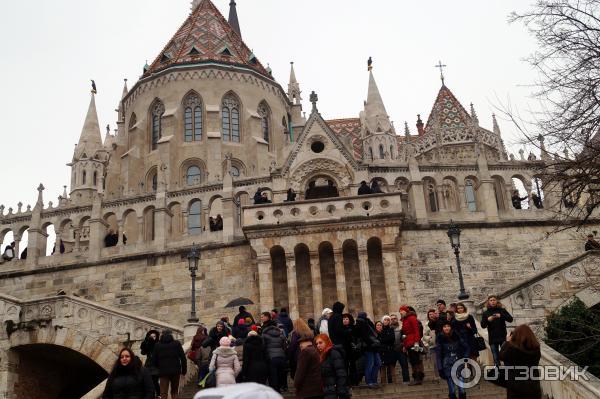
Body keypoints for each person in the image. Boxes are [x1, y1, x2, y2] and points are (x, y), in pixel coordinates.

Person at [500, 325, 542, 399]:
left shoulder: (512, 350)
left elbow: (501, 356)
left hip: (516, 388)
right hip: (533, 386)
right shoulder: (536, 349)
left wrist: (507, 342)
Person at [435, 322, 467, 399]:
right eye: (444, 326)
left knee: (461, 388)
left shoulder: (457, 335)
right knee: (451, 388)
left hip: (458, 361)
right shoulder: (439, 338)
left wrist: (465, 357)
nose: (446, 328)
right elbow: (438, 355)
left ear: (451, 327)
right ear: (442, 328)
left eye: (448, 326)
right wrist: (440, 368)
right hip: (447, 363)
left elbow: (466, 347)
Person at [481, 295, 514, 367]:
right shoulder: (486, 313)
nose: (493, 302)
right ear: (488, 302)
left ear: (497, 301)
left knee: (506, 356)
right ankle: (498, 373)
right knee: (496, 358)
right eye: (491, 300)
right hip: (493, 338)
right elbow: (483, 326)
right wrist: (488, 320)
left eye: (494, 300)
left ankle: (508, 373)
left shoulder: (502, 310)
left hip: (502, 336)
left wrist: (501, 316)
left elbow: (510, 319)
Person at [154, 329, 187, 399]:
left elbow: (154, 360)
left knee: (163, 393)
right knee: (174, 391)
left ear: (162, 335)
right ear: (171, 335)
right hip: (175, 371)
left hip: (163, 372)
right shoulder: (177, 343)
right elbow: (183, 358)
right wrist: (184, 371)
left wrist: (158, 370)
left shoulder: (157, 345)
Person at [316, 334, 350, 399]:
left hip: (335, 392)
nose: (318, 345)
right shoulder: (322, 356)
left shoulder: (333, 353)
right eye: (317, 344)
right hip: (328, 391)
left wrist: (341, 391)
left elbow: (341, 374)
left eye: (320, 343)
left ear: (326, 342)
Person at [260, 312, 287, 392]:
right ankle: (281, 388)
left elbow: (263, 347)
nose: (261, 318)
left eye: (262, 317)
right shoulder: (280, 333)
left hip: (271, 357)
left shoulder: (264, 334)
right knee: (280, 374)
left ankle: (275, 392)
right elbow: (284, 344)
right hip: (281, 356)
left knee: (273, 376)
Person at [293, 331, 323, 399]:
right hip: (318, 389)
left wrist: (296, 385)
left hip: (308, 390)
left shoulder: (305, 352)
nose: (300, 348)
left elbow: (300, 371)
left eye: (300, 346)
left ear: (302, 344)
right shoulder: (316, 350)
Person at [355, 311, 380, 388]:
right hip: (368, 347)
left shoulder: (368, 322)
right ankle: (369, 381)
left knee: (378, 363)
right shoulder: (360, 324)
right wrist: (371, 343)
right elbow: (364, 336)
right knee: (370, 364)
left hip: (374, 346)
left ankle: (374, 380)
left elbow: (373, 333)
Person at [399, 305, 424, 385]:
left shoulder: (412, 318)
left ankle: (418, 378)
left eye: (401, 311)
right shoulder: (405, 320)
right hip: (408, 343)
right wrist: (404, 345)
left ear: (405, 311)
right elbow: (405, 333)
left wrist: (416, 342)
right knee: (413, 361)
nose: (400, 312)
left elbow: (416, 331)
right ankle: (416, 378)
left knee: (416, 360)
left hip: (413, 342)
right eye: (400, 311)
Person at [390, 313, 410, 384]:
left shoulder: (402, 327)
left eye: (394, 318)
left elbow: (405, 337)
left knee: (404, 365)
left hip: (401, 349)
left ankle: (406, 380)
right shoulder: (389, 329)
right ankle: (391, 382)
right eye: (391, 319)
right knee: (391, 367)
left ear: (397, 319)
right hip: (392, 350)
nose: (393, 320)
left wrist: (404, 345)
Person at [140, 329, 161, 395]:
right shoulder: (147, 343)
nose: (153, 338)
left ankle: (158, 395)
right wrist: (146, 343)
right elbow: (143, 352)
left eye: (154, 336)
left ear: (156, 337)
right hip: (148, 366)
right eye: (151, 336)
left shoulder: (159, 344)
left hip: (156, 366)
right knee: (148, 383)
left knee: (155, 382)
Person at [341, 313, 358, 386]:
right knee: (344, 366)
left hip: (352, 350)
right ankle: (346, 382)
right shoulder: (340, 329)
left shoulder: (353, 328)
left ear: (350, 320)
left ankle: (354, 381)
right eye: (343, 319)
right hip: (343, 350)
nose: (345, 320)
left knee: (353, 366)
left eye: (346, 319)